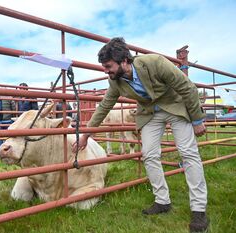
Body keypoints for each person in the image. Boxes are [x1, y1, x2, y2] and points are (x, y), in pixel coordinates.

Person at [72, 37, 208, 232]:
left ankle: (199, 209)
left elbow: (187, 87)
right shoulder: (115, 81)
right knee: (149, 154)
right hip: (150, 113)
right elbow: (104, 107)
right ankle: (162, 201)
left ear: (124, 61)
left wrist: (197, 120)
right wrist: (86, 135)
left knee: (188, 153)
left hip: (176, 106)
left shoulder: (155, 62)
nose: (106, 70)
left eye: (108, 66)